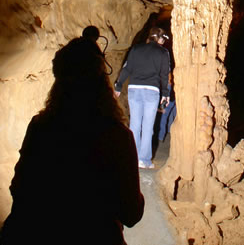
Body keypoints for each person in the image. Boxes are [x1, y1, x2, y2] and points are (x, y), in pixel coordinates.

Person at [0, 36, 144, 245]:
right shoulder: (117, 136)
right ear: (101, 81)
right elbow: (131, 213)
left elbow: (19, 187)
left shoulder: (41, 127)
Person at [114, 27, 170, 169]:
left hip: (134, 89)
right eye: (163, 39)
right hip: (152, 91)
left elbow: (127, 68)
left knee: (134, 124)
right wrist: (165, 94)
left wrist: (118, 86)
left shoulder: (136, 49)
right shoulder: (163, 52)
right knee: (147, 126)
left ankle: (133, 157)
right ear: (158, 38)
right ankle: (144, 160)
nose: (163, 41)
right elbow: (164, 75)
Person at [158, 72, 177, 142]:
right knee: (173, 116)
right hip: (175, 99)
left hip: (171, 100)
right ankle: (170, 131)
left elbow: (166, 96)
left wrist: (162, 108)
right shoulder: (172, 84)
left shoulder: (168, 86)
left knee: (164, 118)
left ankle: (161, 136)